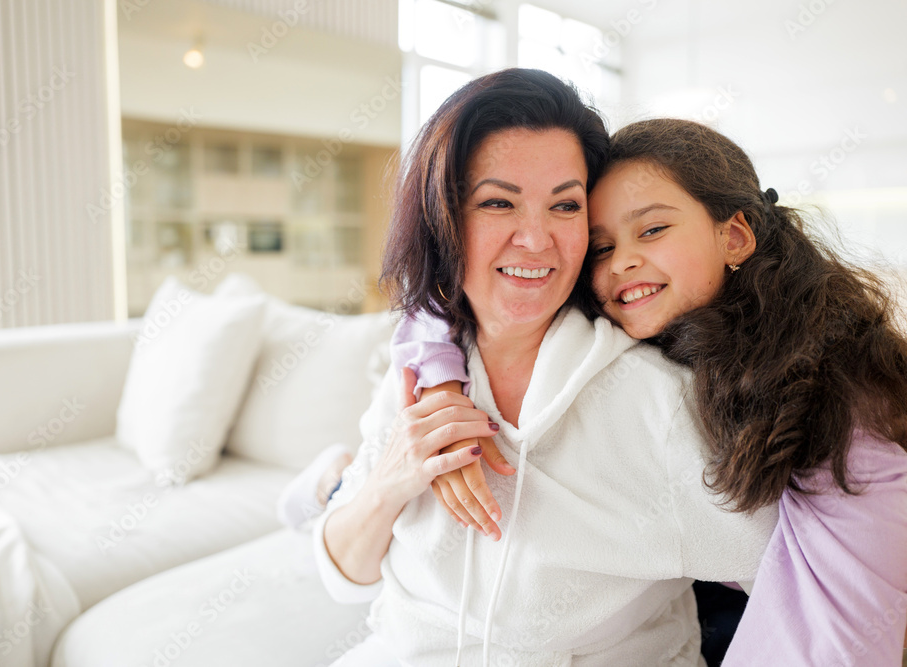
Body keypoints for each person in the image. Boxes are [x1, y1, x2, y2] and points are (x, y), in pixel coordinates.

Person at [388, 118, 907, 665]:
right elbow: (448, 302)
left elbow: (845, 626)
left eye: (653, 229)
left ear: (734, 236)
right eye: (600, 247)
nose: (622, 262)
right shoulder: (662, 325)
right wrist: (441, 386)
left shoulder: (839, 395)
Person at [311, 69, 777, 667]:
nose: (536, 240)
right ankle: (327, 478)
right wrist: (388, 483)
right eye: (498, 202)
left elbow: (802, 586)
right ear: (442, 216)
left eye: (564, 205)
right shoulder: (421, 373)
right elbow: (345, 578)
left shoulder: (656, 402)